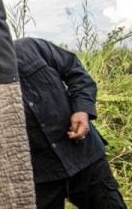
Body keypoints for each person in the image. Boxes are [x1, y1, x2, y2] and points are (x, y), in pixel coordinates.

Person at [14, 37, 126, 209]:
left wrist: (82, 110)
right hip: (39, 174)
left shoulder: (33, 47)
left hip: (83, 155)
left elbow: (78, 75)